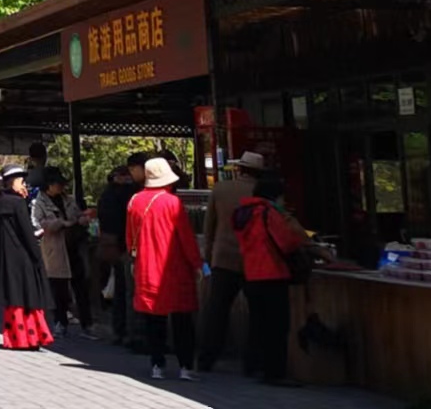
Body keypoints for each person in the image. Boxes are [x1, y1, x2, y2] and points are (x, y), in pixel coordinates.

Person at [129, 156, 203, 382]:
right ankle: (185, 367)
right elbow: (186, 238)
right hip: (174, 267)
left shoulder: (134, 201)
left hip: (146, 266)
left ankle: (157, 365)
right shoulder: (172, 202)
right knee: (182, 319)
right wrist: (198, 264)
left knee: (154, 319)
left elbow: (129, 237)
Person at [235, 174, 314, 386]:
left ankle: (254, 365)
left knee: (257, 324)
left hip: (250, 274)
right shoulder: (269, 213)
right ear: (275, 195)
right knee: (277, 327)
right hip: (272, 274)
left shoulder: (243, 212)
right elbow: (286, 242)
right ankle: (275, 373)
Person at [196, 150, 267, 373]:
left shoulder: (220, 189)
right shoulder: (263, 193)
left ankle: (207, 358)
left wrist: (208, 256)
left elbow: (209, 227)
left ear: (239, 169)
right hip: (255, 260)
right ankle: (253, 362)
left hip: (224, 257)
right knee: (258, 312)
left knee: (217, 310)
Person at [0, 165, 54, 351]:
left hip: (6, 255)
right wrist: (37, 255)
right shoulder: (17, 203)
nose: (23, 184)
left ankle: (14, 338)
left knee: (14, 297)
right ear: (12, 182)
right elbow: (26, 231)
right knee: (29, 296)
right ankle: (31, 337)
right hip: (23, 255)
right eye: (20, 181)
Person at [32, 170, 94, 337]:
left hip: (73, 247)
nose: (61, 187)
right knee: (59, 288)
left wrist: (82, 219)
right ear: (49, 186)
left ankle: (86, 323)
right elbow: (38, 223)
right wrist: (59, 223)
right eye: (57, 184)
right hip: (56, 248)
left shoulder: (68, 199)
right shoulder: (39, 203)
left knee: (80, 286)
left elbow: (77, 215)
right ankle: (60, 321)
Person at [97, 155, 148, 349]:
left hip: (115, 247)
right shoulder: (130, 194)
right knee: (130, 292)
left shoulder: (106, 195)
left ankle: (120, 330)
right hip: (127, 247)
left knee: (120, 291)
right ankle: (133, 333)